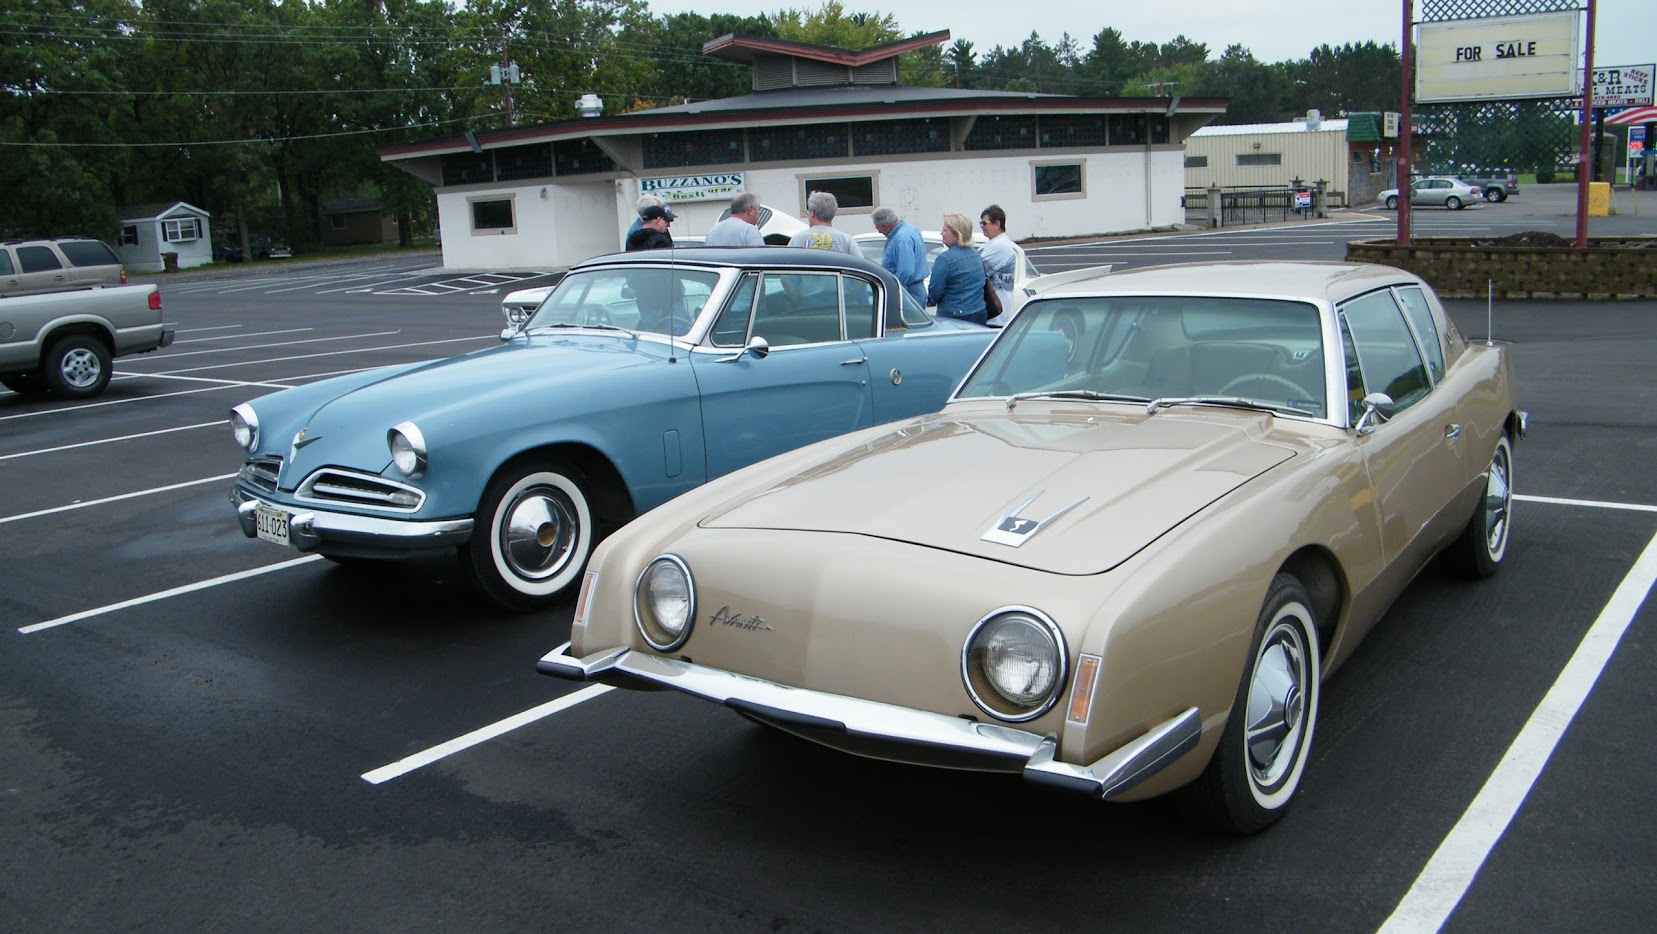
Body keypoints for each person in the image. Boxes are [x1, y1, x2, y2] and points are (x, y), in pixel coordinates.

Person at [926, 213, 988, 326]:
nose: (941, 233)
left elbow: (935, 291)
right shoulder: (976, 254)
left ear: (956, 235)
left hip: (954, 316)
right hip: (979, 312)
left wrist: (929, 301)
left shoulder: (945, 259)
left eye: (945, 230)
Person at [871, 206, 927, 308]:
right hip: (916, 290)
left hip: (908, 292)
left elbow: (906, 271)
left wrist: (893, 291)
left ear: (885, 225)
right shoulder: (912, 229)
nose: (879, 232)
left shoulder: (901, 240)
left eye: (878, 228)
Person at [978, 204, 1016, 326]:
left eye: (985, 223)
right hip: (994, 315)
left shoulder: (1000, 246)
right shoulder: (990, 244)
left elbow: (976, 267)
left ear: (997, 224)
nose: (982, 227)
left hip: (997, 317)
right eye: (981, 223)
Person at [787, 190, 859, 254]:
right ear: (833, 213)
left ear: (812, 213)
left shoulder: (796, 240)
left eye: (808, 212)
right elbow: (860, 264)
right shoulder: (846, 241)